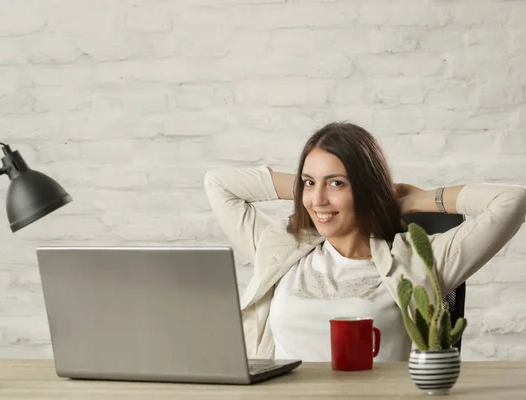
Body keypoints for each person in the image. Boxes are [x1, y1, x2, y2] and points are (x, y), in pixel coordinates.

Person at [204, 122, 526, 362]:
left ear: (366, 188)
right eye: (309, 182)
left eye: (337, 183)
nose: (317, 200)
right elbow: (219, 184)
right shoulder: (281, 248)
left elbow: (512, 200)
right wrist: (317, 188)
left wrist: (410, 199)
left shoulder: (420, 262)